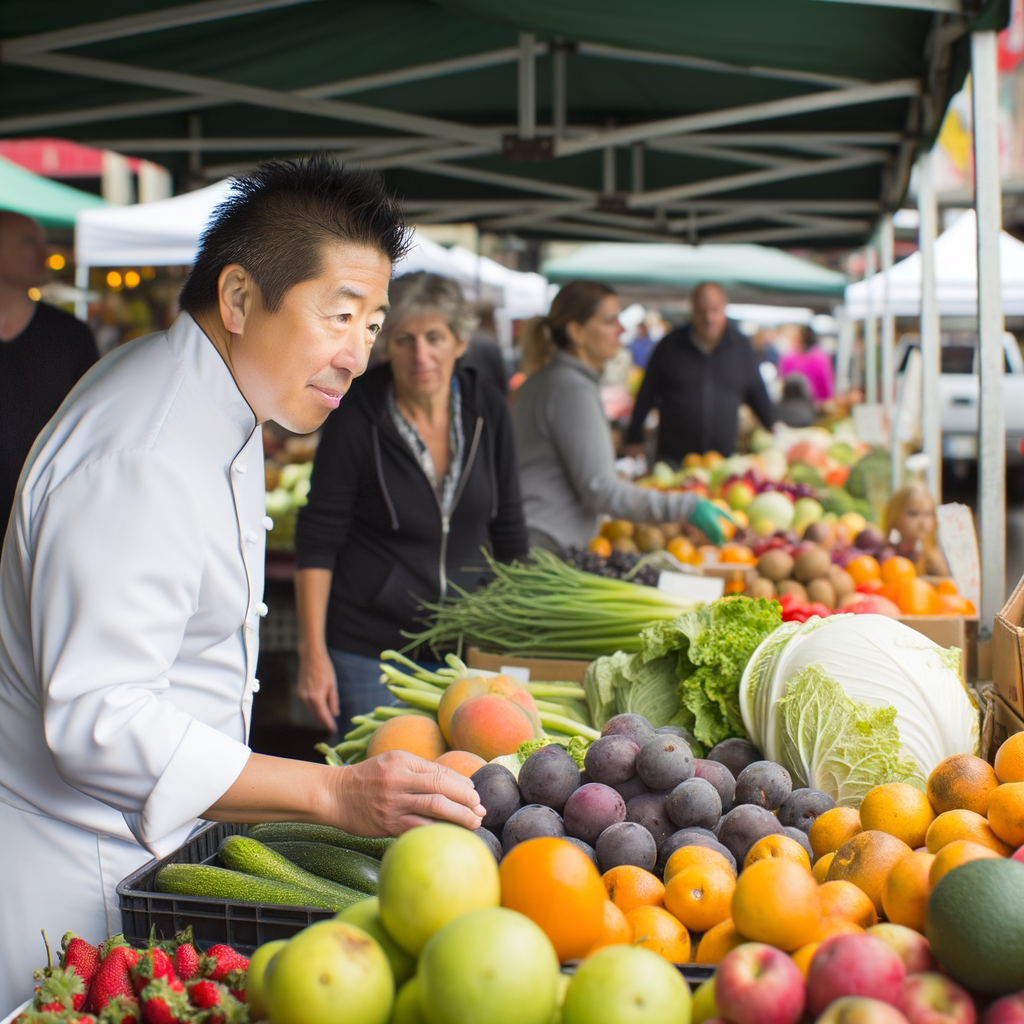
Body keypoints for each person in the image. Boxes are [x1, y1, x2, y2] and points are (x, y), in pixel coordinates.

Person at [0, 158, 484, 1007]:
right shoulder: (144, 450)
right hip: (75, 874)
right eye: (340, 315)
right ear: (237, 299)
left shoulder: (215, 398)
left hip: (149, 852)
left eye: (372, 324)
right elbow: (98, 717)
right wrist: (329, 792)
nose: (357, 353)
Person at [294, 273, 528, 732]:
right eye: (404, 339)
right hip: (371, 649)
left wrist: (518, 637)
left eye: (434, 337)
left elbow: (510, 531)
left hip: (467, 648)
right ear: (385, 345)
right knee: (373, 789)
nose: (421, 356)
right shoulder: (356, 410)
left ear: (459, 342)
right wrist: (312, 653)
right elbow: (319, 536)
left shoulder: (488, 410)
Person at [512, 280, 731, 555]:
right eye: (610, 321)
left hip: (533, 537)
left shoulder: (546, 379)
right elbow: (602, 490)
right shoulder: (570, 388)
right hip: (544, 547)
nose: (621, 329)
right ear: (576, 332)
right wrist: (684, 506)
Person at [0, 212, 97, 528]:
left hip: (43, 521)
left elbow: (91, 430)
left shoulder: (70, 335)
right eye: (30, 242)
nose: (46, 254)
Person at [625, 281, 776, 462]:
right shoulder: (669, 346)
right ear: (692, 311)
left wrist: (774, 427)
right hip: (674, 459)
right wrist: (634, 436)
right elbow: (646, 393)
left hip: (722, 461)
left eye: (714, 310)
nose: (708, 318)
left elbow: (756, 392)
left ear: (724, 310)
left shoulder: (741, 346)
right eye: (701, 311)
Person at [885, 482, 950, 577]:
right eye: (913, 513)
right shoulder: (888, 552)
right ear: (895, 515)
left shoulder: (933, 555)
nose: (923, 522)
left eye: (928, 514)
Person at [779, 325, 834, 402]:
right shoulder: (820, 356)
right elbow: (826, 383)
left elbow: (783, 381)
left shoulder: (788, 358)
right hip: (815, 403)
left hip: (796, 403)